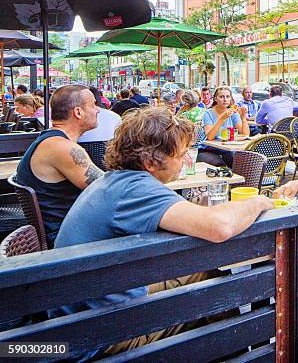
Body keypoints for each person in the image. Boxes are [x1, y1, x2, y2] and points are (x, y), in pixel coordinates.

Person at [52, 107, 273, 359]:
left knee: (207, 272)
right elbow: (219, 227)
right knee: (217, 294)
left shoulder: (116, 180)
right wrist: (259, 202)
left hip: (78, 318)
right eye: (180, 155)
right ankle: (237, 352)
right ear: (150, 162)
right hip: (101, 340)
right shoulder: (137, 188)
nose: (187, 160)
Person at [14, 85, 104, 246]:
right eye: (93, 104)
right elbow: (108, 189)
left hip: (68, 234)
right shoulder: (63, 148)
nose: (98, 110)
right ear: (78, 112)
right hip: (68, 245)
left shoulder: (51, 141)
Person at [197, 87, 249, 168]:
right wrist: (222, 118)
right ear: (215, 99)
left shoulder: (233, 112)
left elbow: (245, 134)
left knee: (241, 163)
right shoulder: (208, 113)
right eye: (221, 97)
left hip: (227, 149)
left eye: (227, 97)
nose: (225, 99)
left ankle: (242, 180)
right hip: (208, 150)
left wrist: (243, 118)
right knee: (221, 165)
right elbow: (210, 137)